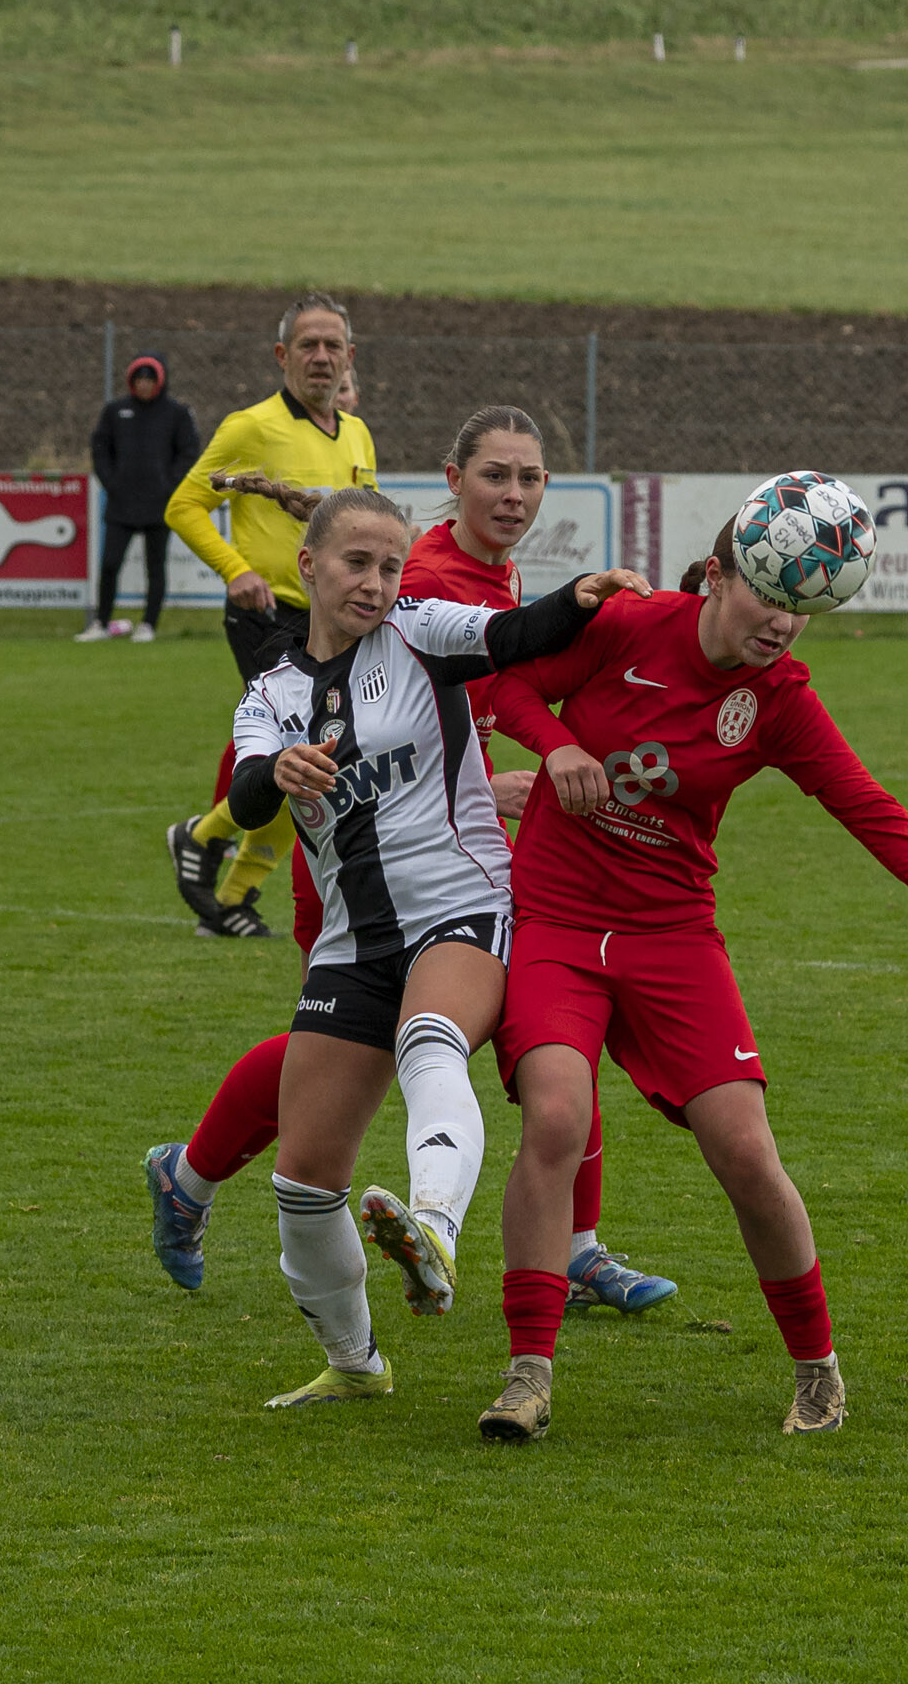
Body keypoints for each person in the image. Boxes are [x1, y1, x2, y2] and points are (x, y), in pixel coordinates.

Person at [474, 503, 908, 1442]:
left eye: (804, 608)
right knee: (556, 1115)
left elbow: (862, 801)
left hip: (673, 937)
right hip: (556, 921)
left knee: (748, 1155)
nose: (784, 622)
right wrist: (556, 744)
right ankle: (529, 1374)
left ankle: (817, 1371)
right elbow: (507, 685)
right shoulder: (630, 626)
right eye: (771, 595)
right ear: (719, 575)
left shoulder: (779, 699)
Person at [144, 409, 676, 1319]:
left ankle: (556, 1245)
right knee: (350, 1057)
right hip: (353, 863)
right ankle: (196, 1178)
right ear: (452, 481)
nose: (514, 496)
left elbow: (500, 664)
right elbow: (349, 709)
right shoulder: (416, 588)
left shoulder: (474, 575)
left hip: (455, 857)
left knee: (540, 1035)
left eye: (530, 478)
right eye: (495, 476)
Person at [223, 485, 649, 1408]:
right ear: (308, 565)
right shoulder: (271, 693)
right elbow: (248, 795)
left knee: (430, 1040)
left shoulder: (421, 630)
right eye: (356, 564)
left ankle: (435, 1231)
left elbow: (512, 635)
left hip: (462, 904)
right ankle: (354, 1363)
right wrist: (276, 771)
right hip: (351, 942)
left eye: (389, 566)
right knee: (303, 1182)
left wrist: (579, 597)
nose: (375, 584)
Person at [164, 293, 375, 938]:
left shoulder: (356, 432)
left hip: (331, 622)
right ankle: (206, 838)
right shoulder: (250, 427)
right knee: (297, 754)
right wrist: (236, 570)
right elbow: (183, 506)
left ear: (350, 356)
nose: (321, 357)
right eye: (308, 345)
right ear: (283, 355)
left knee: (319, 762)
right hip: (269, 615)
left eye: (332, 345)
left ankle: (229, 898)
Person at [80, 353, 200, 644]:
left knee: (155, 567)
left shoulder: (177, 413)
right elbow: (100, 448)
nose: (144, 385)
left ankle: (148, 625)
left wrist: (168, 485)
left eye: (149, 379)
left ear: (159, 381)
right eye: (139, 379)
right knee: (110, 564)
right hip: (121, 504)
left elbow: (189, 452)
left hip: (159, 504)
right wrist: (111, 482)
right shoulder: (115, 411)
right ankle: (101, 623)